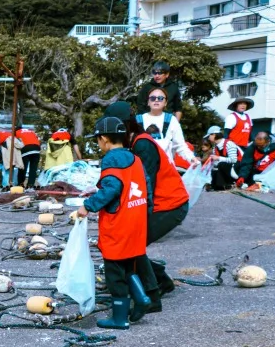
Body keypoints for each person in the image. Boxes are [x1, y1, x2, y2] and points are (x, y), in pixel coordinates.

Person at [104, 101, 189, 303]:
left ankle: (152, 291)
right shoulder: (132, 144)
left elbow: (144, 184)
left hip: (170, 205)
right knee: (131, 244)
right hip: (157, 204)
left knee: (132, 244)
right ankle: (161, 280)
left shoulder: (143, 144)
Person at [79, 116, 156, 329]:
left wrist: (88, 205)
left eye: (97, 140)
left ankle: (119, 318)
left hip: (118, 226)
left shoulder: (111, 160)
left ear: (104, 139)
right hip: (136, 222)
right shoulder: (136, 159)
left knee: (114, 274)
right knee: (128, 267)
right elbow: (146, 188)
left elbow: (112, 189)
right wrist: (145, 213)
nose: (98, 144)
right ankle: (141, 298)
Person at [137, 87, 195, 171]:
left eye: (160, 98)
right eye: (152, 98)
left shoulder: (172, 120)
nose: (156, 100)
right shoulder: (138, 120)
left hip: (165, 169)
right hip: (143, 169)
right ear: (148, 102)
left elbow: (180, 145)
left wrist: (192, 159)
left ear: (165, 103)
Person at [205, 125, 243, 191]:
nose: (208, 138)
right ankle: (218, 185)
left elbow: (234, 160)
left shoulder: (229, 144)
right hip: (228, 167)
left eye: (209, 136)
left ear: (214, 135)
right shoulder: (215, 147)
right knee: (214, 168)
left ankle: (230, 183)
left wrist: (218, 158)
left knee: (221, 164)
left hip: (238, 167)